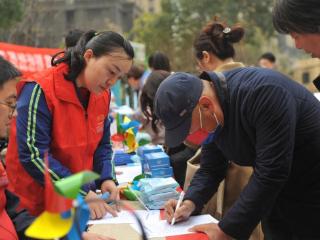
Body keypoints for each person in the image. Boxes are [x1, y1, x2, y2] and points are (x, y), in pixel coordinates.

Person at [154, 36, 320, 240]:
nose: (191, 137)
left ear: (206, 105)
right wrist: (189, 203)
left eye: (189, 130)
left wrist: (226, 230)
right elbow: (211, 168)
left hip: (312, 189)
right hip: (279, 195)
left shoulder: (264, 94)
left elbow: (271, 172)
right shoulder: (214, 115)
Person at [5, 30, 134, 222]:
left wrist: (106, 178)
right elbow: (33, 155)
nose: (112, 82)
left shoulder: (102, 95)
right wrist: (79, 191)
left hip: (79, 206)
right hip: (36, 209)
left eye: (119, 77)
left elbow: (102, 145)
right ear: (89, 56)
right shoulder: (40, 89)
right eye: (111, 71)